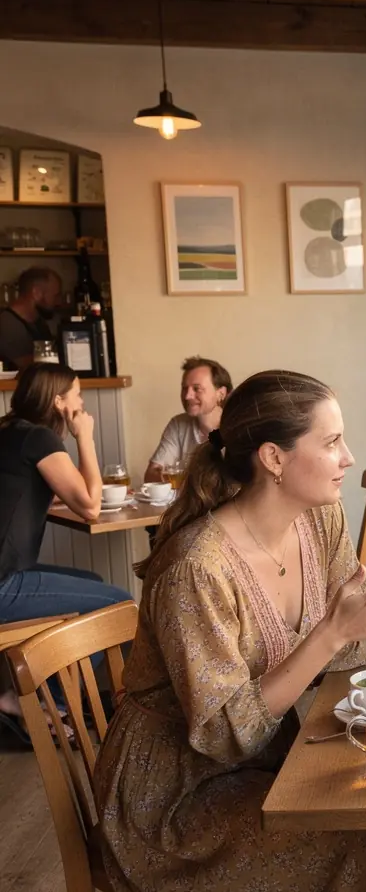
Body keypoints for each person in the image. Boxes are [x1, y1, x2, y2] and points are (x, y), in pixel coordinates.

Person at [94, 369, 366, 892]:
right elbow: (224, 734)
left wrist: (361, 624)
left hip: (272, 750)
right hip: (175, 793)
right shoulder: (196, 568)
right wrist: (329, 635)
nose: (349, 457)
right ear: (273, 458)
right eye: (332, 441)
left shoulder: (320, 522)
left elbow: (356, 645)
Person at [0, 363, 132, 741]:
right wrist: (84, 437)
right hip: (4, 584)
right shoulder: (40, 438)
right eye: (76, 394)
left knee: (91, 584)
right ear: (59, 402)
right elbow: (91, 506)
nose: (82, 402)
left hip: (6, 576)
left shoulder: (10, 431)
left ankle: (47, 697)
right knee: (117, 605)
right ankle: (51, 702)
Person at [144, 355, 233, 482]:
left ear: (221, 394)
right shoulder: (179, 424)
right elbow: (151, 475)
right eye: (184, 388)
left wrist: (178, 481)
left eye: (197, 389)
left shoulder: (238, 427)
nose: (187, 396)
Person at [0, 267, 62, 369]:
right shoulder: (8, 325)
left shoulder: (39, 322)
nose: (59, 302)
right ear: (36, 293)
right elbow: (29, 367)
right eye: (55, 296)